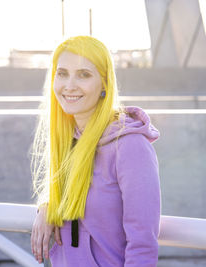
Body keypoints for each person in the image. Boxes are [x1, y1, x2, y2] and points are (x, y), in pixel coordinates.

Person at [30, 36, 161, 267]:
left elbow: (142, 246)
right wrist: (47, 204)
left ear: (105, 83)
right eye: (62, 73)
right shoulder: (68, 140)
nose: (69, 85)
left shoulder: (130, 147)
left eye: (84, 74)